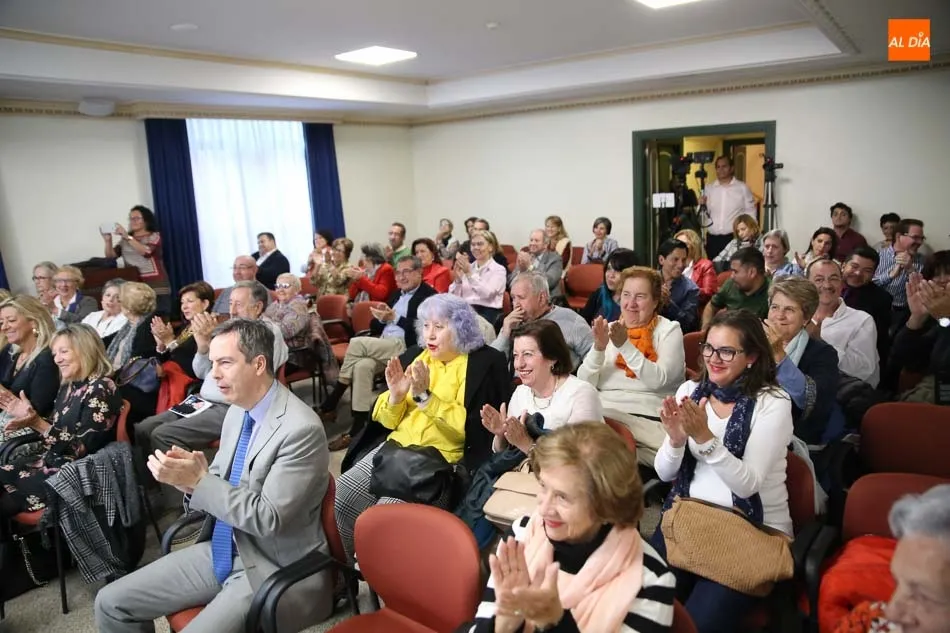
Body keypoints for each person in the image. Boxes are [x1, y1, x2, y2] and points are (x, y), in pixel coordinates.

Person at [95, 319, 332, 633]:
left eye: (225, 363)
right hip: (225, 546)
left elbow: (268, 519)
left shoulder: (300, 429)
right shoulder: (238, 410)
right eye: (213, 362)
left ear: (259, 364)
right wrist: (188, 481)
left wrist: (200, 482)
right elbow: (217, 479)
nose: (214, 373)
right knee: (110, 602)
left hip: (273, 564)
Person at [335, 294, 508, 559]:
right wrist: (395, 397)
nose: (430, 334)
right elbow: (386, 422)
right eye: (426, 325)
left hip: (439, 461)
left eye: (439, 326)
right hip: (394, 451)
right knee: (342, 495)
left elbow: (471, 432)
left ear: (461, 328)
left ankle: (385, 575)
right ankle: (353, 567)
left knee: (384, 516)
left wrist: (426, 398)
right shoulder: (416, 356)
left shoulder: (484, 363)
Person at [652, 309, 793, 631]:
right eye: (709, 348)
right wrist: (675, 440)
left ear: (752, 357)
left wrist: (704, 438)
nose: (714, 359)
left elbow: (748, 485)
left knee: (694, 625)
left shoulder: (773, 402)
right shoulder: (690, 391)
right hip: (689, 520)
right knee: (640, 608)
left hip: (748, 531)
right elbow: (663, 473)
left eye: (727, 351)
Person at [466, 422, 676, 633]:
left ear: (607, 505)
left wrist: (557, 622)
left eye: (562, 497)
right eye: (543, 486)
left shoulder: (650, 581)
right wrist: (503, 625)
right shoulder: (521, 535)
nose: (544, 509)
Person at [134, 281, 288, 509]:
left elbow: (259, 377)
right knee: (143, 428)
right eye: (230, 303)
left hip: (231, 405)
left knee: (163, 435)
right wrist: (203, 345)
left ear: (257, 307)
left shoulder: (267, 333)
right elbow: (202, 372)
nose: (231, 310)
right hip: (202, 399)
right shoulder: (229, 330)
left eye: (238, 304)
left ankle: (184, 506)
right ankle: (155, 487)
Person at [0, 324, 120, 518]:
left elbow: (80, 449)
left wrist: (37, 422)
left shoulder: (100, 388)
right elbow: (57, 432)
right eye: (55, 353)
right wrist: (28, 417)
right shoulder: (69, 387)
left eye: (64, 351)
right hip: (49, 461)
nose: (57, 359)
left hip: (74, 472)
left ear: (85, 350)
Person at [320, 256, 437, 451]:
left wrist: (394, 318)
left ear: (419, 273)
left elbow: (422, 329)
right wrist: (382, 318)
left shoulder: (429, 296)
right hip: (384, 343)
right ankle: (357, 430)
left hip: (405, 347)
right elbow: (374, 325)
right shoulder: (396, 294)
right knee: (362, 366)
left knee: (356, 343)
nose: (401, 277)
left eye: (406, 272)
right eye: (398, 273)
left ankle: (333, 400)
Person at [578, 266, 685, 466]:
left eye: (640, 297)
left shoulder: (670, 331)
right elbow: (584, 384)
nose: (631, 304)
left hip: (647, 419)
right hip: (603, 415)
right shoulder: (610, 330)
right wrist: (599, 349)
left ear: (655, 301)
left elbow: (659, 381)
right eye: (626, 295)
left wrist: (624, 346)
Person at [482, 320, 603, 456]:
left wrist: (526, 444)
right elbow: (504, 454)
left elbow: (576, 459)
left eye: (528, 354)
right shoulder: (520, 393)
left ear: (552, 357)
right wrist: (502, 435)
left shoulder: (582, 394)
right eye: (516, 355)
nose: (519, 364)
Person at [765, 277, 843, 444]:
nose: (779, 316)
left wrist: (779, 355)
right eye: (775, 307)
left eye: (789, 310)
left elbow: (812, 400)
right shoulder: (751, 344)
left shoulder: (823, 354)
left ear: (806, 318)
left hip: (791, 435)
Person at [493, 272, 593, 371]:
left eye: (521, 298)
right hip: (515, 380)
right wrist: (505, 334)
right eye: (513, 298)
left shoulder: (571, 320)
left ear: (541, 298)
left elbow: (594, 359)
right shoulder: (513, 322)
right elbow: (491, 362)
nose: (516, 304)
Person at [807, 259, 879, 387]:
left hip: (840, 392)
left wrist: (821, 343)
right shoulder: (797, 315)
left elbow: (863, 370)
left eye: (833, 279)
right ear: (807, 284)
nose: (827, 285)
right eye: (819, 280)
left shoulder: (861, 320)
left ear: (841, 284)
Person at [0, 295, 60, 444]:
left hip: (29, 435)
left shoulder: (46, 358)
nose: (4, 327)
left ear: (33, 321)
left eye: (11, 320)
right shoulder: (13, 353)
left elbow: (38, 411)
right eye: (1, 322)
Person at [889, 263, 950, 403]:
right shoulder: (934, 312)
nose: (942, 280)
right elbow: (904, 358)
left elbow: (943, 364)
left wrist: (945, 319)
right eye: (937, 275)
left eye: (948, 274)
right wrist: (917, 317)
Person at [106, 281, 159, 425]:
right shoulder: (129, 326)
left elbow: (135, 364)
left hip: (135, 386)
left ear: (128, 307)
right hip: (121, 378)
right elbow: (106, 340)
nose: (119, 303)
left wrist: (109, 376)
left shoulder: (145, 328)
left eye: (121, 300)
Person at [102, 205, 171, 314]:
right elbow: (111, 256)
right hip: (134, 283)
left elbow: (146, 252)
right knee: (138, 316)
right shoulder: (125, 240)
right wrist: (108, 241)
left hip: (156, 285)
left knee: (159, 316)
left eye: (137, 218)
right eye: (131, 218)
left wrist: (127, 237)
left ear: (146, 220)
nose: (133, 221)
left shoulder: (154, 236)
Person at [150, 281, 214, 382]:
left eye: (190, 301)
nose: (184, 307)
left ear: (205, 304)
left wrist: (169, 342)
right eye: (182, 302)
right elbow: (169, 360)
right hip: (170, 380)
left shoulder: (209, 330)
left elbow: (194, 370)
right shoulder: (186, 327)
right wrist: (162, 346)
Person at [842, 247, 893, 368]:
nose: (858, 273)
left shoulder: (882, 299)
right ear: (843, 266)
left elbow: (880, 341)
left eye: (867, 270)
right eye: (854, 266)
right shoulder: (827, 287)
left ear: (873, 274)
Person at [874, 219, 927, 335]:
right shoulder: (878, 255)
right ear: (899, 236)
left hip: (905, 313)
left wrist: (910, 269)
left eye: (921, 238)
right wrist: (890, 275)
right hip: (877, 309)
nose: (919, 242)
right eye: (915, 237)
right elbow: (868, 284)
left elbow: (924, 290)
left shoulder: (922, 261)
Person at [701, 155, 757, 260]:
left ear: (731, 168)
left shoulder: (742, 187)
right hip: (712, 239)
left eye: (724, 166)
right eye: (718, 167)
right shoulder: (709, 188)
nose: (721, 170)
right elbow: (702, 215)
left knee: (734, 266)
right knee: (713, 267)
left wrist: (751, 233)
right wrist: (700, 205)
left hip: (734, 237)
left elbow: (751, 211)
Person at [702, 247, 770, 328]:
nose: (732, 276)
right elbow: (711, 306)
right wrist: (705, 328)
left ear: (752, 272)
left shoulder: (773, 292)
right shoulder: (731, 284)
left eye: (735, 272)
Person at [450, 229, 507, 325]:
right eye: (473, 244)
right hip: (466, 310)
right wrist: (458, 281)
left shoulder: (499, 270)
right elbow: (454, 297)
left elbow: (487, 294)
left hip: (488, 313)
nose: (476, 247)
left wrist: (469, 274)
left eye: (480, 244)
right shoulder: (468, 267)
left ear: (490, 247)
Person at [579, 248, 640, 324]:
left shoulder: (637, 303)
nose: (611, 275)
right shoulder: (599, 293)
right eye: (608, 268)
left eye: (617, 270)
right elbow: (582, 323)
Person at [264, 273, 312, 368]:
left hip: (292, 356)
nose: (280, 290)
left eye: (285, 286)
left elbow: (286, 331)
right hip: (275, 350)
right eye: (278, 286)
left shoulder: (298, 306)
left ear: (296, 289)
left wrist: (264, 322)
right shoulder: (276, 304)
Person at [509, 229, 564, 303]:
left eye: (536, 241)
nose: (532, 243)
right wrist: (520, 271)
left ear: (545, 244)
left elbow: (549, 282)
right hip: (523, 299)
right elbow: (511, 281)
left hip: (546, 300)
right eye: (531, 240)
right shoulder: (525, 257)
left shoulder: (555, 259)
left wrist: (530, 267)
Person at [658, 238, 700, 333]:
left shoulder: (691, 289)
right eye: (675, 259)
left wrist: (668, 303)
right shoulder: (648, 281)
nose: (681, 265)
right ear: (661, 260)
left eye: (684, 260)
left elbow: (688, 325)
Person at [675, 229, 718, 308]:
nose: (679, 247)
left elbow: (709, 293)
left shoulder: (705, 265)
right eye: (676, 244)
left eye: (683, 244)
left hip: (695, 309)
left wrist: (684, 291)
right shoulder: (671, 265)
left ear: (693, 245)